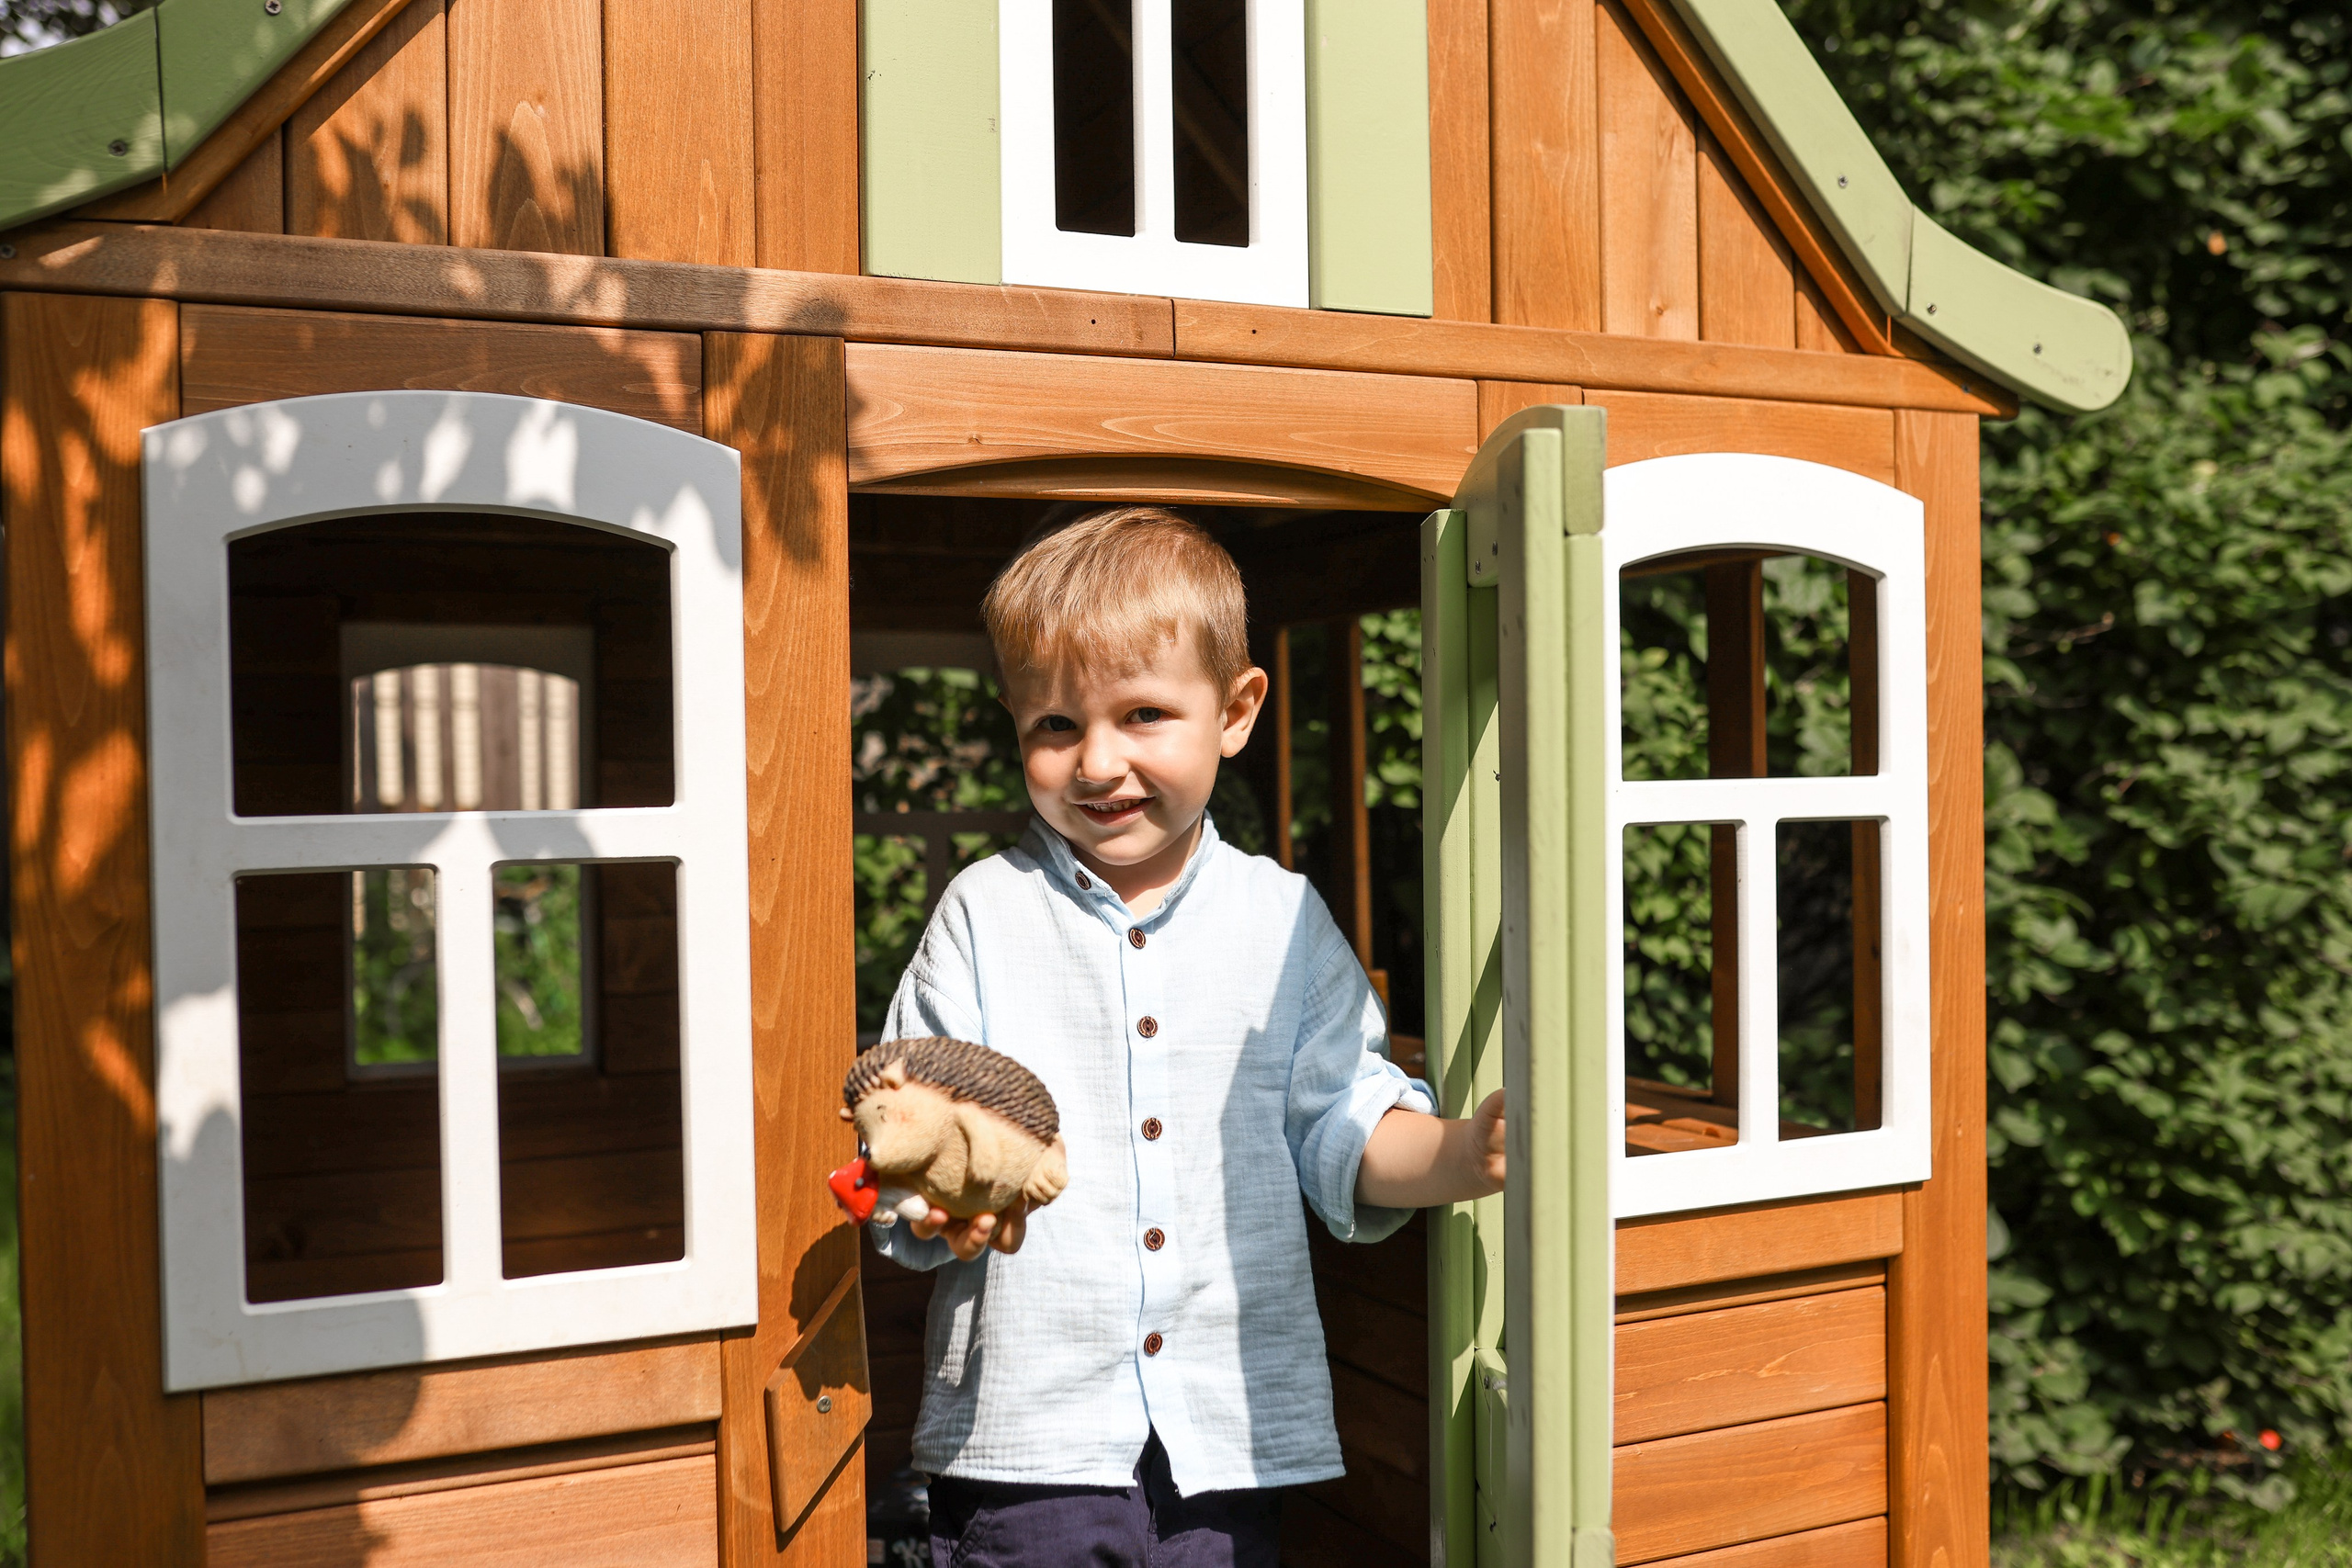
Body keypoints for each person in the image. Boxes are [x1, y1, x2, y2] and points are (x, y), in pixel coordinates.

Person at [869, 505, 1507, 1568]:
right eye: (1055, 726)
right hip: (1033, 1437)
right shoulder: (983, 911)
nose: (1097, 762)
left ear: (1237, 710)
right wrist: (937, 1201)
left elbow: (1344, 1119)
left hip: (1227, 1432)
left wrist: (1461, 1154)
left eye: (1143, 715)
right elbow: (917, 1115)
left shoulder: (1284, 919)